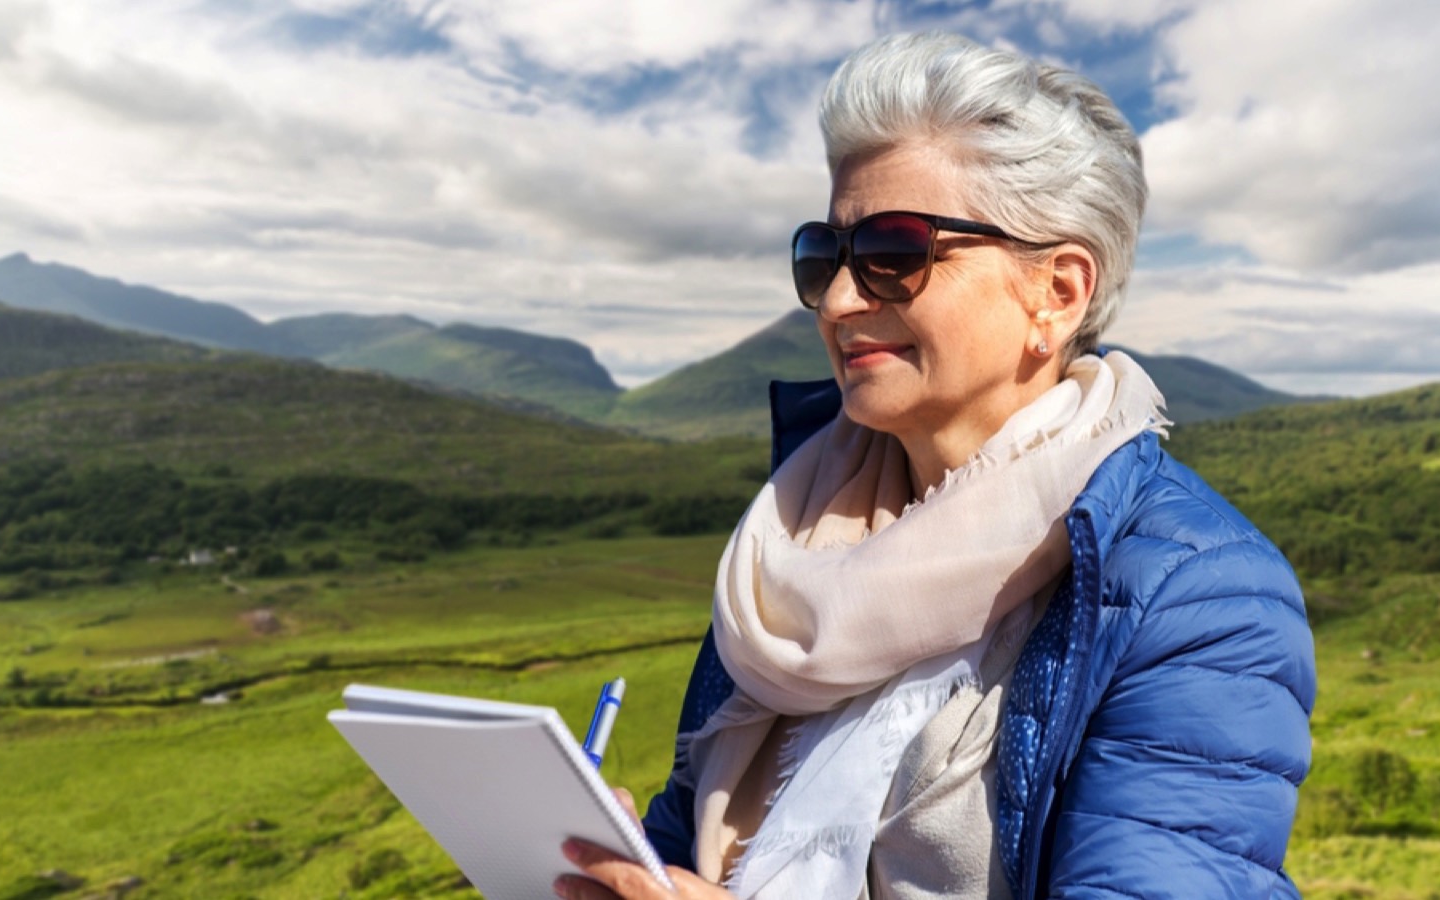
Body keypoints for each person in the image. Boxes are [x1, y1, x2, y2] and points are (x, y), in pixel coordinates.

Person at [555, 30, 1315, 900]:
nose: (840, 301)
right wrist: (616, 867)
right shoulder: (788, 548)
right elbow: (697, 838)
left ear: (1057, 292)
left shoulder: (1200, 596)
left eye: (895, 254)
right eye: (824, 256)